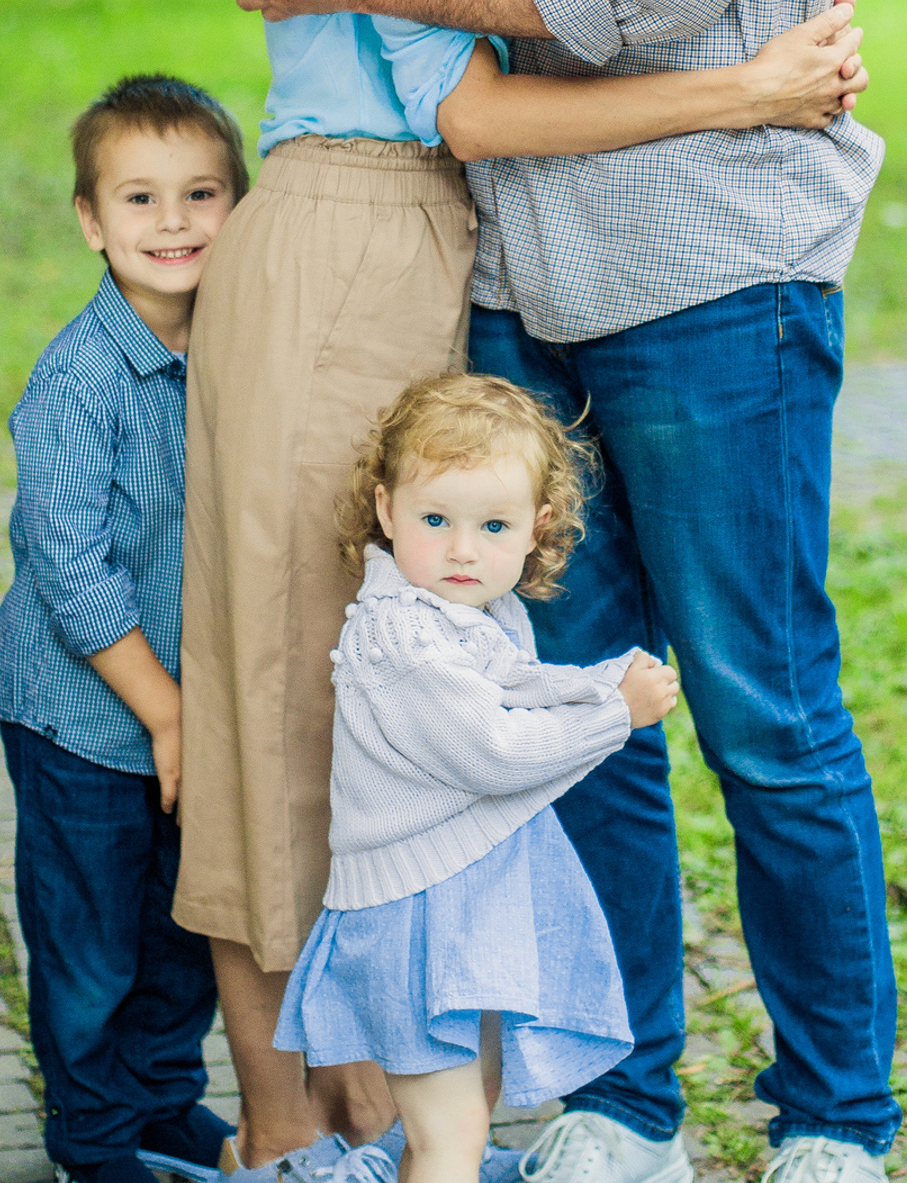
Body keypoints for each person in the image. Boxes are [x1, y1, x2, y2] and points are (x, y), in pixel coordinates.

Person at [184, 0, 901, 1183]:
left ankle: (836, 1124)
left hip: (705, 261)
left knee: (761, 710)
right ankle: (629, 1108)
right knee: (560, 710)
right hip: (518, 280)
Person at [276, 374, 680, 1183]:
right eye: (436, 521)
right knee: (448, 1136)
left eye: (492, 525)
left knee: (473, 1103)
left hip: (460, 911)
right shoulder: (402, 636)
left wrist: (601, 685)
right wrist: (614, 716)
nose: (464, 549)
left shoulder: (468, 616)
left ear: (536, 530)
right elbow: (491, 750)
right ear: (388, 514)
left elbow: (516, 685)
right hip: (417, 919)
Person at [0, 76, 251, 1183]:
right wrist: (168, 715)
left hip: (189, 707)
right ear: (91, 222)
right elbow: (71, 570)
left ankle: (158, 1100)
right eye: (140, 200)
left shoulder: (239, 354)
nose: (175, 223)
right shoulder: (77, 380)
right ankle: (92, 1140)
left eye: (201, 194)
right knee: (91, 941)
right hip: (85, 717)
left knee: (182, 924)